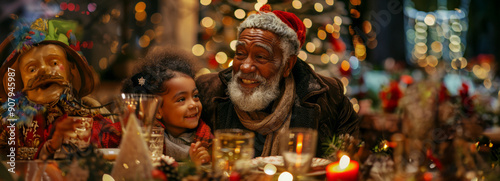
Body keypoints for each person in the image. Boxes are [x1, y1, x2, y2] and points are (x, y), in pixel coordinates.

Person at [196, 5, 359, 157]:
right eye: (240, 53)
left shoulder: (328, 96)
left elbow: (351, 157)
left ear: (287, 65)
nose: (245, 67)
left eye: (260, 56)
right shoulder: (207, 91)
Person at [0, 19, 121, 160]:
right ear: (21, 81)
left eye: (55, 63)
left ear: (71, 71)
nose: (43, 70)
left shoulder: (89, 118)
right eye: (32, 69)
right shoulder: (10, 125)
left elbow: (115, 146)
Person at [121, 47, 212, 166]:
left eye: (195, 96)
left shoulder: (205, 139)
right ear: (157, 110)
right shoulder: (147, 137)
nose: (193, 104)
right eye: (181, 99)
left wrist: (200, 161)